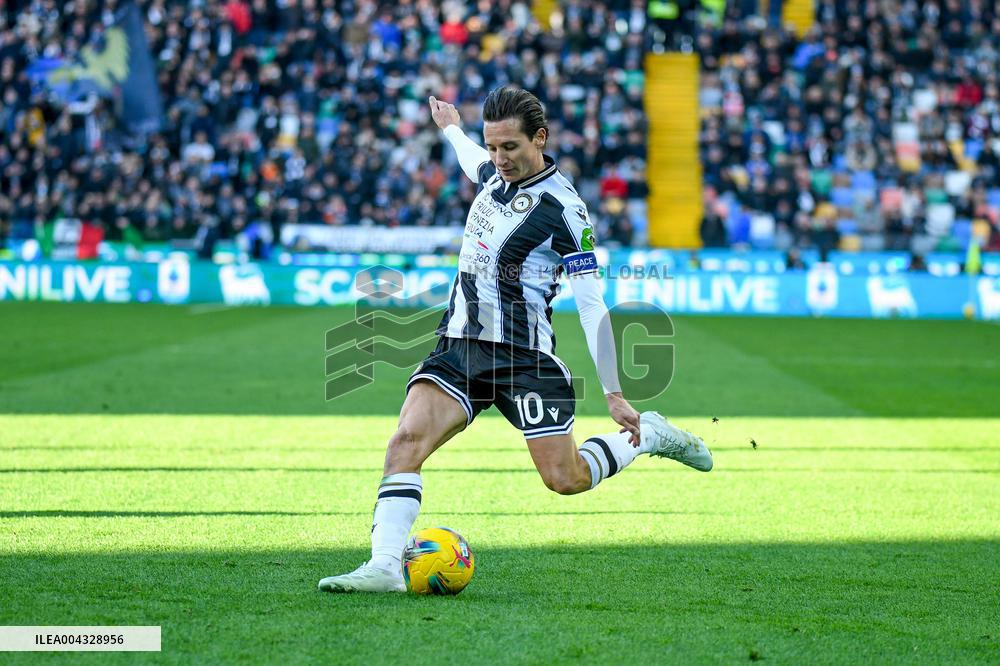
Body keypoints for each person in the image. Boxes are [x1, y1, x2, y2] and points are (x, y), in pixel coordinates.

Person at [318, 88, 713, 593]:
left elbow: (592, 305)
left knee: (564, 479)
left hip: (524, 359)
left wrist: (613, 392)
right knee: (405, 443)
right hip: (460, 344)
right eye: (493, 147)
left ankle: (649, 436)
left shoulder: (565, 211)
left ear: (540, 139)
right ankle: (384, 566)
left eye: (510, 147)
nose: (499, 159)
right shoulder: (491, 174)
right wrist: (451, 128)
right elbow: (471, 164)